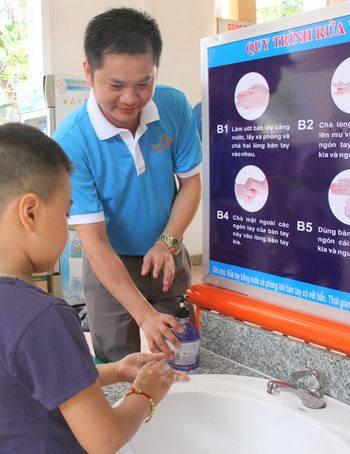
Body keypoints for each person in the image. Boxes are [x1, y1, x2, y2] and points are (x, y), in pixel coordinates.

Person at [0, 122, 189, 454]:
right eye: (66, 214)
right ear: (30, 213)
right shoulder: (42, 315)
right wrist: (146, 393)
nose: (70, 232)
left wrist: (116, 371)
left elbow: (35, 377)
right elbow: (104, 439)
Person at [52, 7, 203, 363]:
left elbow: (191, 184)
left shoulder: (173, 105)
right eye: (116, 85)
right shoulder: (71, 141)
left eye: (144, 83)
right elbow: (95, 242)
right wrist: (144, 315)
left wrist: (167, 242)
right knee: (118, 364)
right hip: (110, 262)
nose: (131, 99)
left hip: (167, 252)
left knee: (180, 353)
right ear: (89, 72)